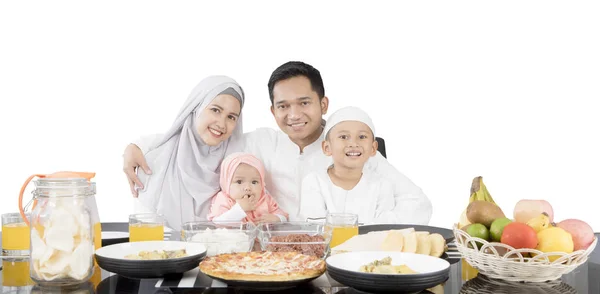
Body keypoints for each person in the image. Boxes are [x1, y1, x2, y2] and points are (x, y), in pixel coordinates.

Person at [123, 61, 433, 224]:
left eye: (304, 103)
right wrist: (138, 145)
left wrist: (365, 228)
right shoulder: (258, 143)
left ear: (323, 104)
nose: (294, 115)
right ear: (273, 111)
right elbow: (206, 138)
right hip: (270, 258)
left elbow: (419, 204)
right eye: (283, 106)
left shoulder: (350, 148)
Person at [132, 75, 245, 230]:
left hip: (225, 254)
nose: (221, 124)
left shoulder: (238, 167)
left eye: (231, 117)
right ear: (196, 107)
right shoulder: (154, 160)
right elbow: (144, 233)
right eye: (215, 110)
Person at [300, 106, 398, 224]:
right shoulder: (314, 181)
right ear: (327, 148)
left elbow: (383, 229)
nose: (353, 143)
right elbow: (314, 228)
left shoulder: (382, 185)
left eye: (362, 137)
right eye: (343, 137)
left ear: (373, 148)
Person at [207, 152, 288, 224]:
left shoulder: (265, 199)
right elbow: (217, 223)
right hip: (235, 240)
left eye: (254, 182)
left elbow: (283, 216)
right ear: (226, 183)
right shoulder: (224, 200)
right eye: (239, 182)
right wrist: (239, 209)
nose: (248, 188)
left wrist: (277, 218)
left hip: (261, 239)